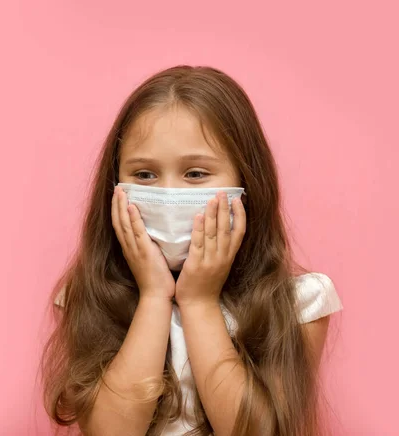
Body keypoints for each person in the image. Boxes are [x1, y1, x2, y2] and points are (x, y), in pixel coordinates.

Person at [41, 65, 343, 436]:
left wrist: (199, 302)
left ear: (246, 183)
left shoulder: (299, 302)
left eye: (196, 174)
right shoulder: (89, 297)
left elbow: (259, 431)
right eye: (145, 175)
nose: (170, 194)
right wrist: (154, 296)